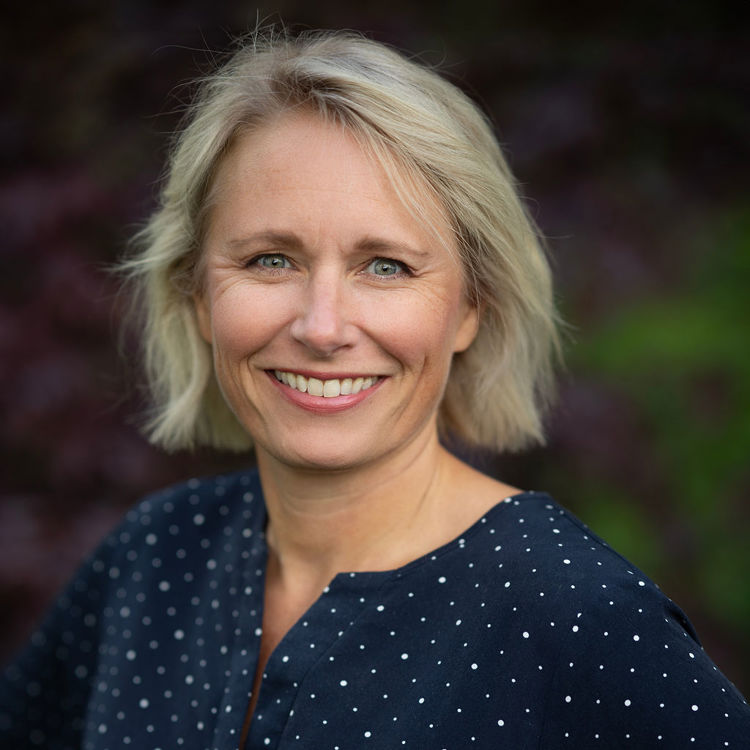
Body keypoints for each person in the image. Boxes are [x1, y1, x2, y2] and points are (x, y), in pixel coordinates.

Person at [1, 28, 748, 750]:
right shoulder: (155, 559)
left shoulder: (578, 615)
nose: (322, 327)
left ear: (471, 307)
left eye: (385, 266)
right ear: (196, 294)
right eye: (269, 260)